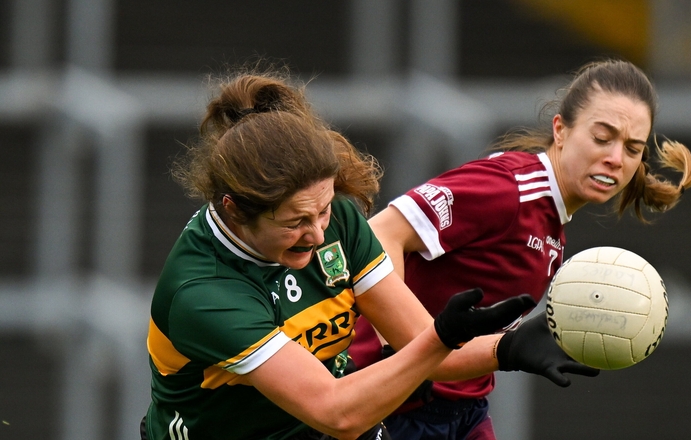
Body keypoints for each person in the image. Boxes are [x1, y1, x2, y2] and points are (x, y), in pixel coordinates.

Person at [141, 68, 592, 440]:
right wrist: (442, 337)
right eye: (297, 222)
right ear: (234, 211)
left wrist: (509, 346)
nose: (318, 235)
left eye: (321, 212)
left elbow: (426, 348)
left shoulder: (337, 218)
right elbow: (336, 411)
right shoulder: (204, 292)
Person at [348, 58, 691, 440]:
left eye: (632, 148)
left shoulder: (552, 225)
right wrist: (398, 351)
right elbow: (379, 234)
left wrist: (508, 348)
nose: (615, 158)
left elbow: (457, 343)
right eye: (602, 138)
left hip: (462, 409)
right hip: (392, 407)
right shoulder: (510, 190)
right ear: (561, 130)